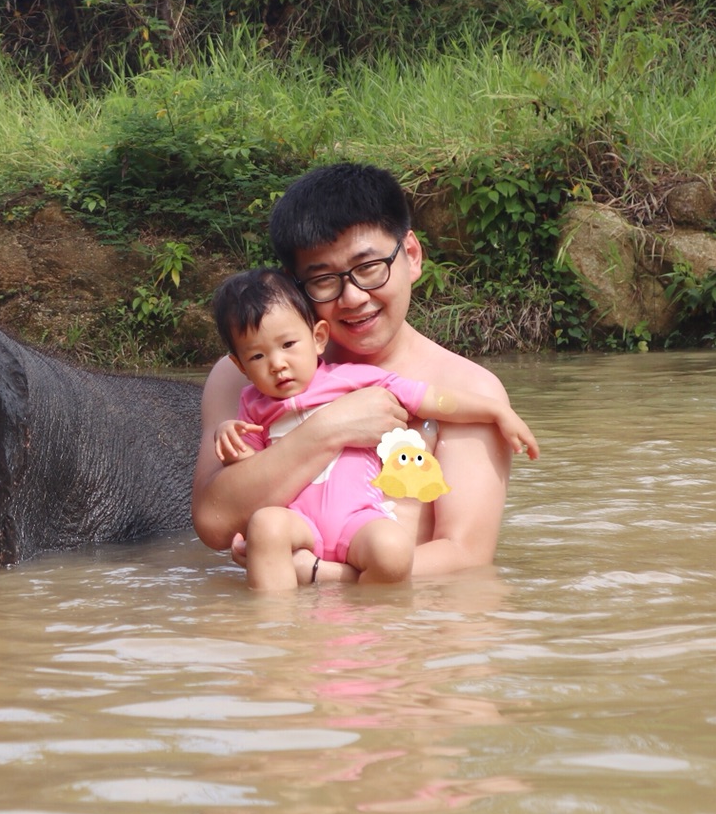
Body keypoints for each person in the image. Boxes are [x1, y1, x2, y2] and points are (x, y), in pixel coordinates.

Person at [193, 162, 521, 582]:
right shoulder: (241, 376)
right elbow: (213, 522)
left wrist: (320, 574)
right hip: (286, 631)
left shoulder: (468, 390)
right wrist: (329, 428)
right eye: (324, 279)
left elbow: (467, 557)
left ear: (412, 256)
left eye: (369, 268)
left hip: (397, 628)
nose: (353, 296)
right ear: (296, 287)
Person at [206, 268, 537, 589]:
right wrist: (230, 439)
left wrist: (496, 410)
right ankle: (275, 631)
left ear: (318, 338)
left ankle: (376, 627)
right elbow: (250, 473)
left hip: (356, 518)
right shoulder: (252, 405)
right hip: (299, 523)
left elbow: (429, 398)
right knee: (265, 525)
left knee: (392, 549)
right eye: (259, 355)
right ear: (241, 366)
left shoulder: (352, 378)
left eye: (288, 345)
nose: (277, 363)